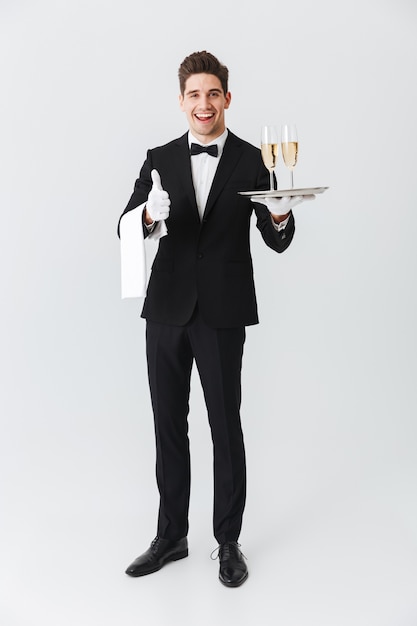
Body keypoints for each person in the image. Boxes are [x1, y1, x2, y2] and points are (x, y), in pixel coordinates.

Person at [118, 50, 314, 587]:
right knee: (167, 426)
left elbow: (277, 239)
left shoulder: (253, 159)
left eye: (212, 93)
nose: (203, 104)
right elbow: (125, 225)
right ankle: (171, 536)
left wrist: (280, 215)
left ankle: (228, 542)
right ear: (181, 102)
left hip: (223, 311)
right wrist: (146, 218)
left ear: (227, 97)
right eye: (193, 95)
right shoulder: (157, 157)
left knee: (225, 428)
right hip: (166, 312)